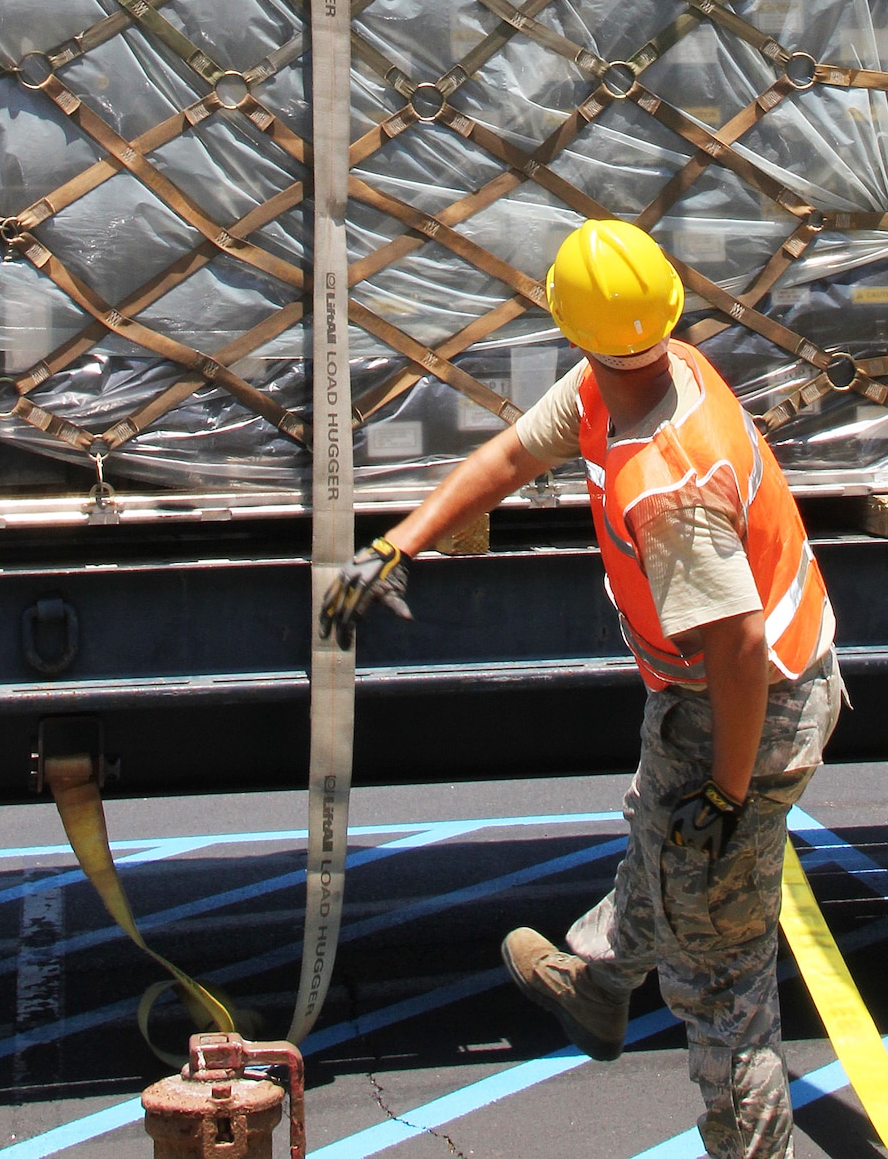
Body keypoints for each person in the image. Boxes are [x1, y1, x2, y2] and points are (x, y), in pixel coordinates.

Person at [320, 219, 841, 1159]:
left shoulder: (666, 483)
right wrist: (399, 541)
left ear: (568, 321)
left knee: (721, 972)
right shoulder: (646, 364)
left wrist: (727, 792)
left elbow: (736, 645)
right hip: (714, 693)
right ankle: (598, 982)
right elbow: (514, 457)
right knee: (658, 824)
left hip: (749, 705)